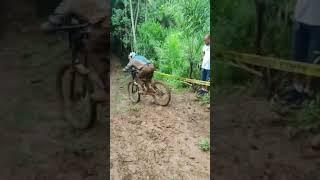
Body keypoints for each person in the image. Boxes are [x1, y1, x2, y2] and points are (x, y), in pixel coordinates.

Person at [40, 0, 109, 102]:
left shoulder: (69, 2)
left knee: (93, 51)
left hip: (106, 25)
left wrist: (47, 27)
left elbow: (54, 21)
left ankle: (108, 90)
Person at [282, 0, 320, 105]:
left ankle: (308, 92)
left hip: (318, 23)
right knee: (297, 55)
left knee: (313, 59)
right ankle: (296, 89)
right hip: (300, 18)